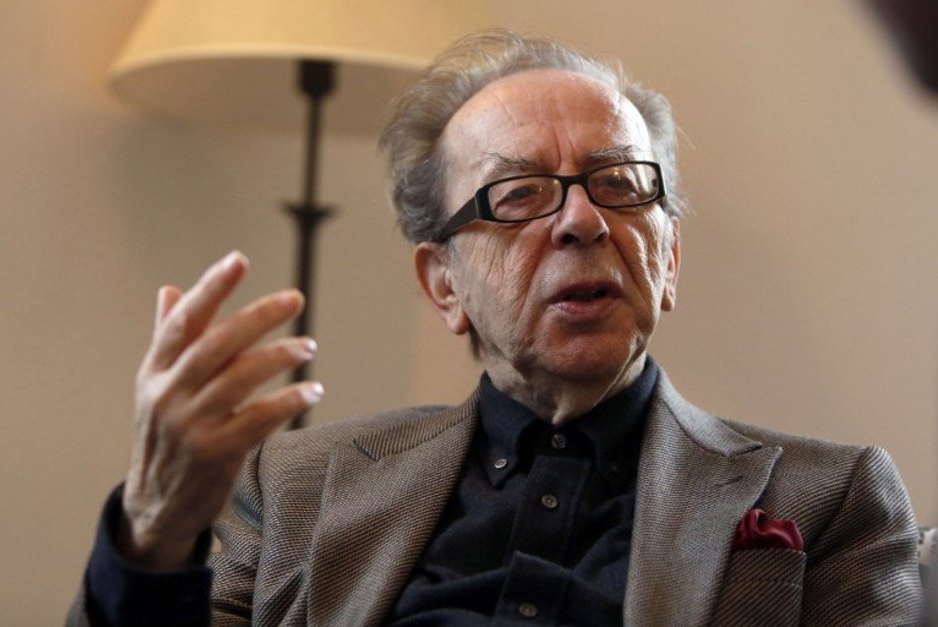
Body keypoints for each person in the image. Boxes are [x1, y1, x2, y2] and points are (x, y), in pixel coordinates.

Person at [68, 30, 923, 626]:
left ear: (667, 258)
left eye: (620, 184)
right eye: (518, 196)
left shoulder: (828, 496)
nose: (582, 220)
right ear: (444, 283)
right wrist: (154, 531)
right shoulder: (298, 485)